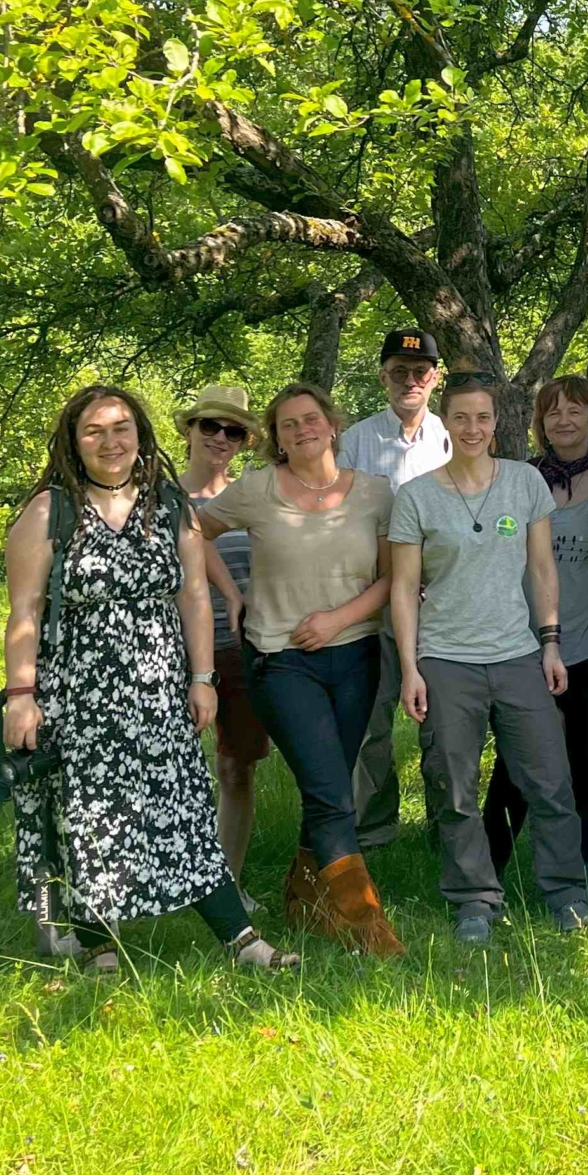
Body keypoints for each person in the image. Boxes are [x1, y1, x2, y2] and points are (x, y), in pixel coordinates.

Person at [0, 386, 296, 976]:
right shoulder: (48, 511)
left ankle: (244, 943)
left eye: (120, 428)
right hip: (77, 693)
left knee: (184, 811)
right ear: (72, 441)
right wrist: (21, 696)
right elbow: (24, 611)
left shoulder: (169, 506)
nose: (110, 442)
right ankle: (96, 946)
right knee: (85, 815)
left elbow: (192, 596)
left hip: (159, 689)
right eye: (94, 431)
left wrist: (204, 677)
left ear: (140, 435)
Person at [197, 384, 400, 955]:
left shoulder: (376, 494)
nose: (302, 430)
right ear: (277, 439)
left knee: (331, 782)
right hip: (280, 660)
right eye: (288, 425)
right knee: (331, 791)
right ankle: (365, 925)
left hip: (357, 654)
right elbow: (194, 530)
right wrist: (230, 593)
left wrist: (338, 620)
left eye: (310, 419)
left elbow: (392, 578)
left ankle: (303, 896)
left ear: (332, 424)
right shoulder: (256, 491)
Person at [388, 376, 587, 940]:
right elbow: (403, 588)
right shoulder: (417, 496)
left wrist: (550, 642)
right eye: (461, 417)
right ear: (445, 423)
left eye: (483, 417)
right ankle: (474, 898)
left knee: (549, 779)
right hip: (446, 659)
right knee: (452, 786)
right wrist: (410, 668)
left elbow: (542, 568)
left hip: (518, 653)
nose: (472, 428)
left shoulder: (525, 483)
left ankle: (566, 892)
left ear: (497, 423)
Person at [483, 375, 588, 869]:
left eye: (574, 411)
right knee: (518, 753)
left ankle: (585, 860)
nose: (563, 421)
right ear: (539, 425)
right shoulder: (521, 478)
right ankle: (491, 861)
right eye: (552, 413)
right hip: (528, 640)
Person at [339, 328, 451, 854]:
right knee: (371, 724)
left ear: (435, 377)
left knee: (444, 722)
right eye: (400, 371)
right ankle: (374, 831)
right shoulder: (355, 442)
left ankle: (444, 829)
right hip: (371, 598)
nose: (411, 380)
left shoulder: (453, 438)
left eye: (421, 371)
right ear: (383, 376)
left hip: (441, 602)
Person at [177, 383, 265, 884]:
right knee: (168, 770)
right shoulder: (158, 494)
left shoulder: (251, 496)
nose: (219, 437)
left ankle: (226, 884)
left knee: (236, 769)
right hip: (170, 650)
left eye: (232, 430)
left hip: (238, 648)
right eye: (209, 425)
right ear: (189, 430)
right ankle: (165, 879)